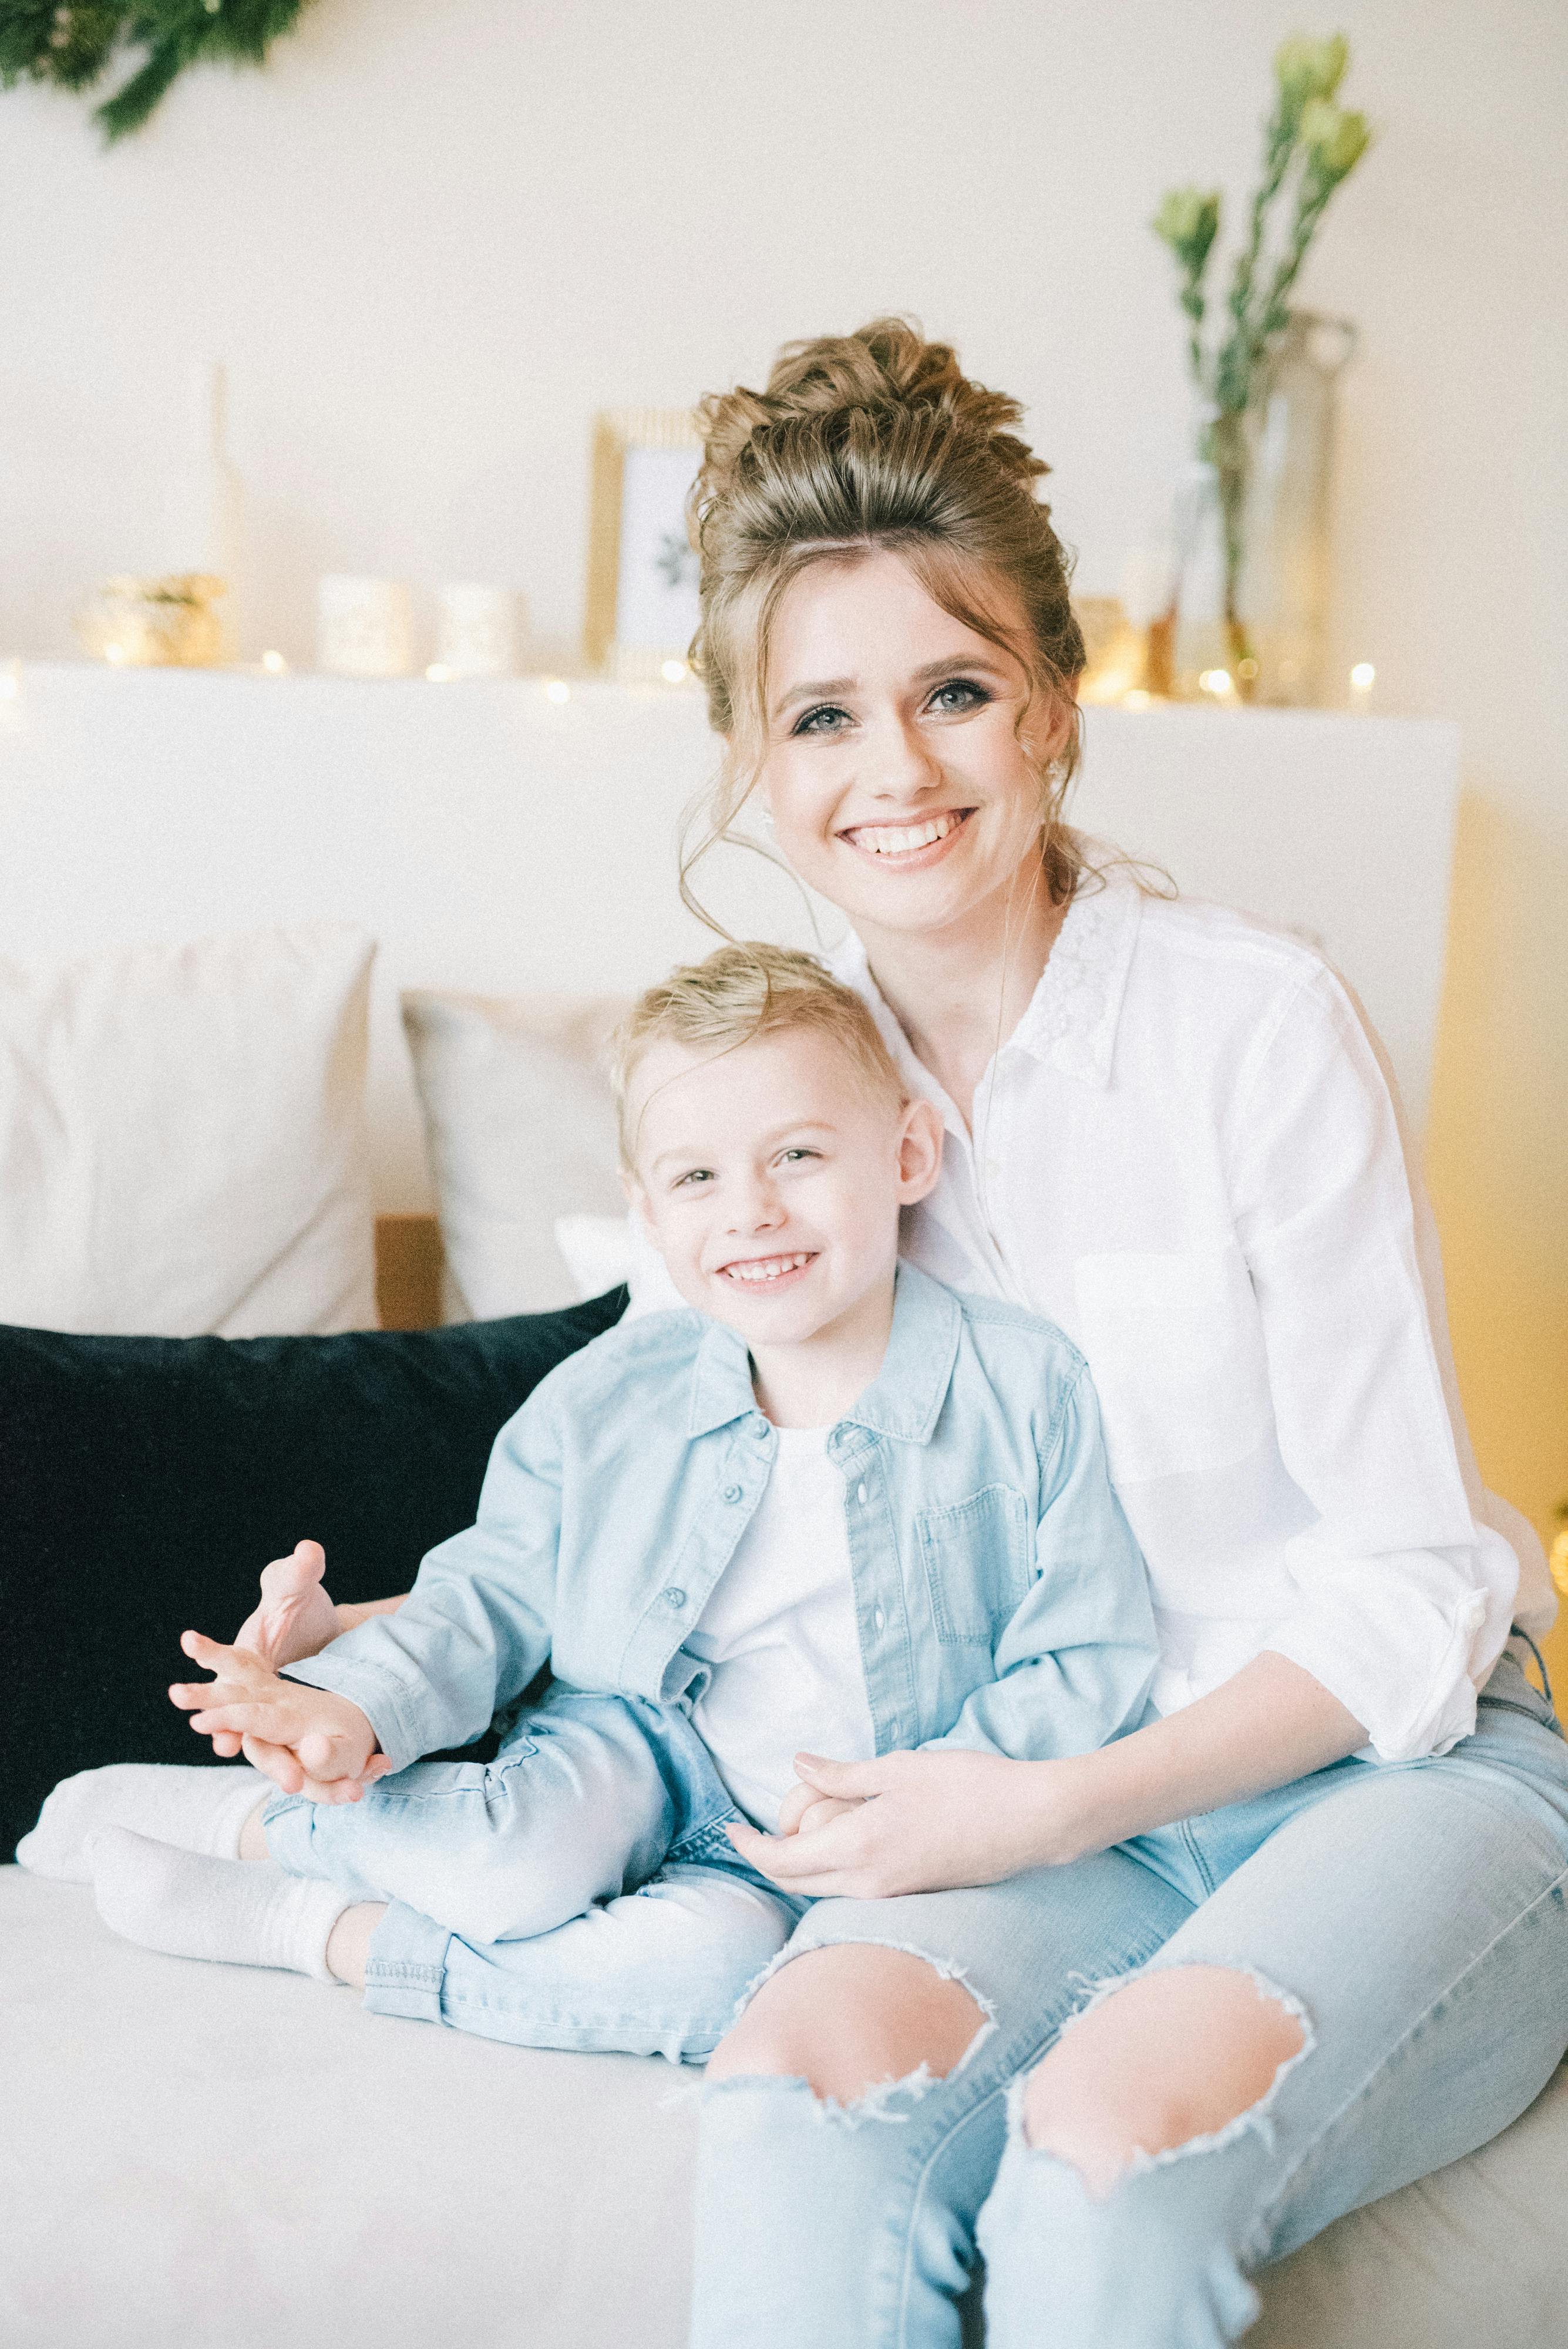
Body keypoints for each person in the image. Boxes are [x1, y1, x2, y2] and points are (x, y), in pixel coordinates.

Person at [659, 321, 1566, 2348]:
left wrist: (1049, 1803)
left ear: (1056, 708)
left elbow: (1413, 1576)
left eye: (954, 692)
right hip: (1050, 1818)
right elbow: (656, 1526)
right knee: (791, 2101)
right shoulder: (771, 1113)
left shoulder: (1252, 1026)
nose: (892, 772)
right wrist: (388, 1651)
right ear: (752, 759)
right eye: (821, 718)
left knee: (1097, 2163)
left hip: (1389, 1782)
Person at [19, 943, 1160, 2068]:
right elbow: (494, 1589)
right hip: (642, 1735)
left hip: (851, 1819)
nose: (752, 1209)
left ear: (908, 1152)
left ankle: (321, 1928)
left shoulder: (1024, 1386)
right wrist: (357, 1709)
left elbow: (1085, 1652)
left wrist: (932, 1794)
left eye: (799, 1154)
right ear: (647, 1211)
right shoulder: (614, 1394)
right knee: (510, 1864)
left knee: (719, 1983)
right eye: (698, 1176)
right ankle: (270, 1824)